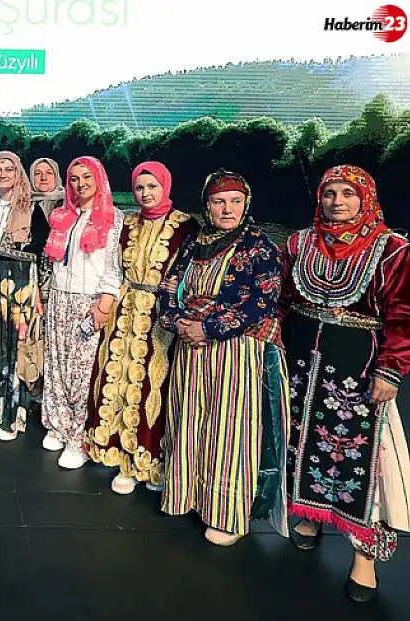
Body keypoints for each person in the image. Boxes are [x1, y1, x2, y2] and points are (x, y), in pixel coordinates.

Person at [280, 165, 410, 603]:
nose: (337, 202)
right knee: (301, 444)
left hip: (357, 368)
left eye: (347, 194)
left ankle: (363, 557)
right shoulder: (300, 244)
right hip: (301, 362)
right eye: (329, 193)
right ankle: (309, 516)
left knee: (362, 458)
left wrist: (391, 368)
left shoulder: (391, 249)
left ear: (365, 198)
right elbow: (283, 301)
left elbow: (403, 314)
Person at [157, 169, 289, 547]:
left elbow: (262, 302)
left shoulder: (257, 245)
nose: (227, 209)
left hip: (234, 350)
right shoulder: (196, 242)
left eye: (234, 201)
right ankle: (189, 497)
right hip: (191, 347)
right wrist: (176, 320)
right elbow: (169, 284)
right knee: (190, 420)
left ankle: (227, 514)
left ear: (246, 204)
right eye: (218, 201)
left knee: (229, 429)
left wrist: (208, 327)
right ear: (207, 205)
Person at [83, 162, 197, 494]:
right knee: (116, 378)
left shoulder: (185, 227)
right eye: (139, 188)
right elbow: (115, 268)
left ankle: (151, 460)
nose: (145, 194)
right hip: (125, 308)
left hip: (162, 316)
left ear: (166, 186)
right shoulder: (128, 223)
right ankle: (121, 458)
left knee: (154, 384)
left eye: (152, 187)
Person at [40, 156, 123, 469]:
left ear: (99, 179)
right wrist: (48, 296)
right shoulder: (64, 215)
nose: (80, 184)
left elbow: (114, 266)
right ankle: (57, 426)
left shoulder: (113, 218)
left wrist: (104, 302)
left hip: (89, 301)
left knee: (82, 371)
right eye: (74, 178)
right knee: (57, 365)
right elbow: (53, 263)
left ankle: (79, 438)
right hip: (60, 297)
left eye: (87, 177)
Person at [0, 151, 51, 441]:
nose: (3, 174)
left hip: (22, 282)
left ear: (19, 173)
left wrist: (41, 293)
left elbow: (43, 256)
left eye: (9, 169)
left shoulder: (32, 208)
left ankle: (13, 415)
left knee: (18, 348)